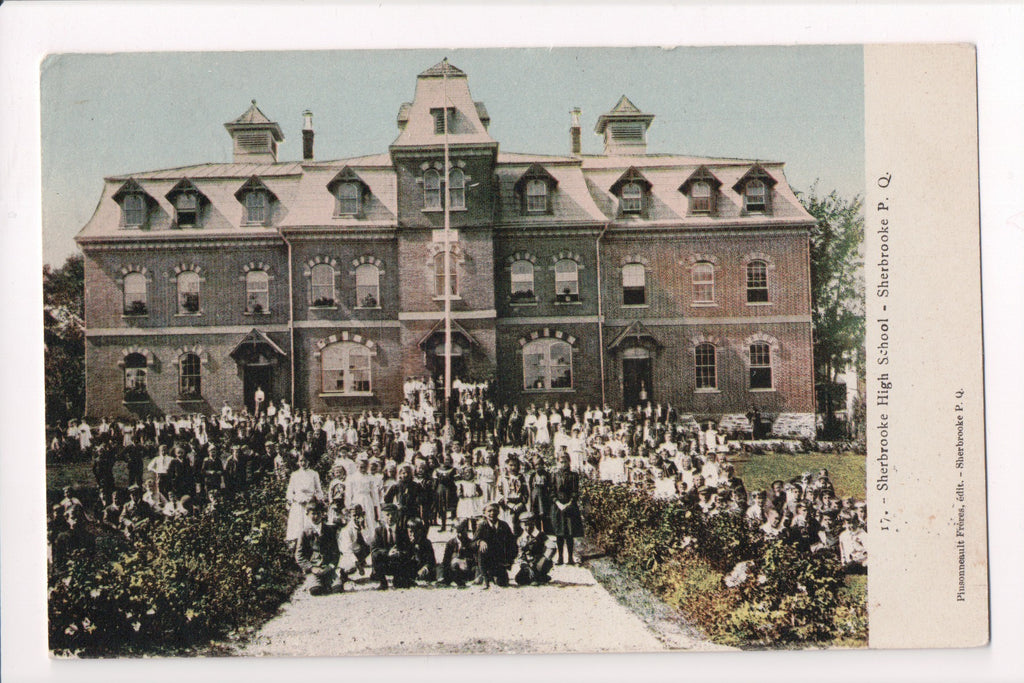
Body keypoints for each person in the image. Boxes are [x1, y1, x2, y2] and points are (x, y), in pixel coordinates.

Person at [295, 501, 346, 595]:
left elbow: (336, 552)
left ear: (322, 514)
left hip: (327, 568)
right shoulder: (304, 532)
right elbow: (299, 555)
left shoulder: (329, 530)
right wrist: (311, 568)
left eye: (318, 513)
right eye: (313, 514)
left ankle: (328, 582)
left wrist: (330, 566)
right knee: (315, 591)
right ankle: (314, 583)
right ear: (307, 514)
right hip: (314, 569)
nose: (316, 516)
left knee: (338, 588)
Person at [371, 504, 416, 590]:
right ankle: (383, 582)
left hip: (398, 562)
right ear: (383, 516)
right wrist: (388, 552)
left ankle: (400, 578)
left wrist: (400, 552)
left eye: (393, 514)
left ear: (398, 516)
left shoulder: (402, 531)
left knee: (400, 584)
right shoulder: (378, 531)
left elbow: (409, 549)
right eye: (387, 515)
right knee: (375, 555)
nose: (390, 517)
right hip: (385, 561)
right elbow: (374, 549)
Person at [551, 452, 584, 565]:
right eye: (561, 462)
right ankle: (560, 557)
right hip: (558, 507)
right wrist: (557, 503)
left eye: (565, 462)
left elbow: (575, 492)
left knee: (569, 533)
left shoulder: (573, 475)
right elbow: (551, 492)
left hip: (570, 507)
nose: (563, 464)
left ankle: (570, 558)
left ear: (569, 462)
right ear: (558, 462)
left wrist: (569, 503)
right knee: (559, 534)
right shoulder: (554, 475)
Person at [474, 502, 516, 588]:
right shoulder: (482, 526)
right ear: (485, 513)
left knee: (502, 583)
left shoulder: (504, 526)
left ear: (499, 512)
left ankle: (493, 576)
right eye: (489, 511)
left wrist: (509, 561)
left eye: (495, 511)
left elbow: (513, 544)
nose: (492, 513)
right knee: (482, 548)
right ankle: (485, 578)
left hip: (499, 561)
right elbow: (472, 543)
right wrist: (480, 542)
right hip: (485, 560)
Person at [285, 455, 324, 546]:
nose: (303, 463)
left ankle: (311, 547)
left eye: (305, 461)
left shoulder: (314, 474)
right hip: (298, 504)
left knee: (309, 526)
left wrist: (316, 499)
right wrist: (294, 499)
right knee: (297, 526)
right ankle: (296, 547)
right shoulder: (294, 474)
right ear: (298, 462)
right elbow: (290, 491)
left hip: (310, 504)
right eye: (301, 461)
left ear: (308, 461)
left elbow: (318, 490)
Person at [514, 511, 557, 586]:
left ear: (534, 523)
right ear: (521, 525)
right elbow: (520, 555)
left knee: (540, 568)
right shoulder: (521, 538)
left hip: (540, 562)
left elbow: (552, 547)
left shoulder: (541, 535)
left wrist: (544, 558)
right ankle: (540, 577)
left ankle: (540, 576)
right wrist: (526, 566)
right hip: (528, 563)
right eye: (525, 525)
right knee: (519, 579)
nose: (528, 528)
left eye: (530, 525)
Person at [440, 517, 479, 586]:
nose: (460, 535)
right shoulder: (451, 543)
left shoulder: (470, 543)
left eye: (462, 531)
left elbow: (475, 560)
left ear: (466, 530)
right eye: (458, 532)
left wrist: (465, 561)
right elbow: (446, 560)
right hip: (454, 568)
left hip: (466, 569)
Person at [338, 504, 371, 578]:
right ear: (350, 516)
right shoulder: (346, 530)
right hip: (349, 554)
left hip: (360, 551)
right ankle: (344, 573)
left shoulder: (365, 525)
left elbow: (369, 542)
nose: (357, 517)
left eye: (359, 515)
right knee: (350, 568)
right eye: (354, 515)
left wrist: (363, 528)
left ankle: (363, 562)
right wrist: (357, 563)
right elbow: (347, 550)